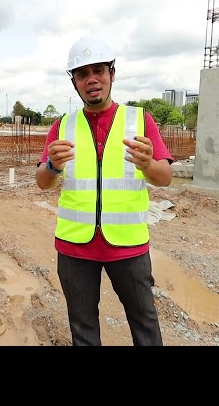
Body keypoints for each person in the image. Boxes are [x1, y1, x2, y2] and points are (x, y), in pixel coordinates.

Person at [35, 36, 174, 346]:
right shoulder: (62, 126)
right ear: (74, 82)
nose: (92, 79)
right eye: (82, 74)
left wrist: (148, 163)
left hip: (128, 247)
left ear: (113, 73)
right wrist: (53, 166)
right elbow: (43, 182)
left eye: (98, 70)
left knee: (144, 324)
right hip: (75, 248)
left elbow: (164, 177)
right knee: (83, 329)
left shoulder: (139, 120)